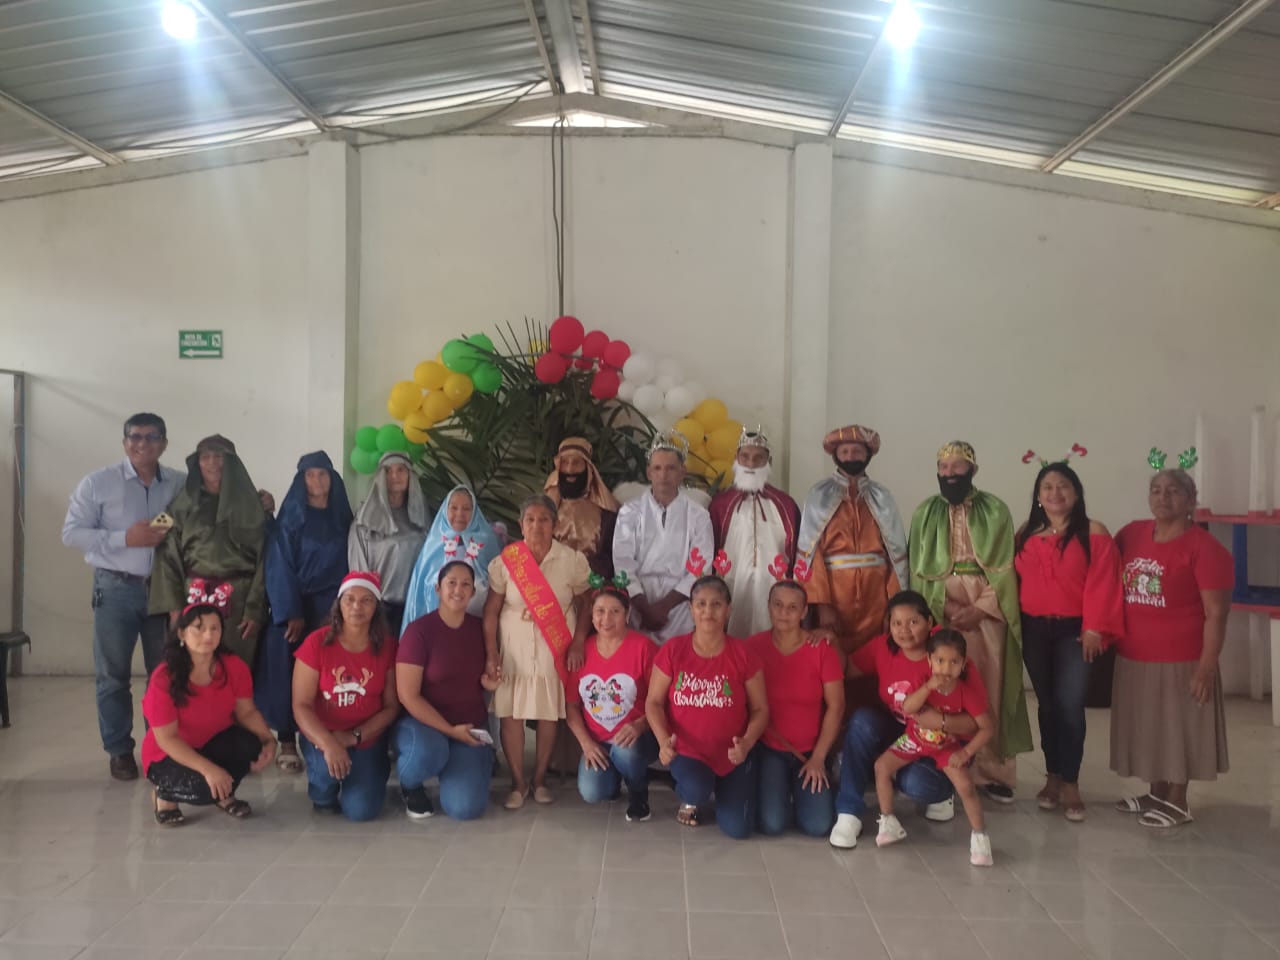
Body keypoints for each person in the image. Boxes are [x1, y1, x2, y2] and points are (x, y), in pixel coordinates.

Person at [62, 412, 185, 781]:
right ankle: (119, 751)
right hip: (115, 589)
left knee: (163, 674)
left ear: (164, 443)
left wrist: (261, 500)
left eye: (151, 437)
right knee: (112, 676)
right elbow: (72, 533)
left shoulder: (179, 482)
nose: (142, 444)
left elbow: (208, 502)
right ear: (125, 442)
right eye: (135, 437)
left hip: (162, 591)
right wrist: (124, 539)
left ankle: (159, 748)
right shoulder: (98, 482)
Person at [909, 440, 1031, 802]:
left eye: (957, 466)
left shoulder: (995, 510)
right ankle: (942, 765)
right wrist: (942, 608)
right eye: (943, 467)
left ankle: (991, 772)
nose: (949, 473)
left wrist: (980, 608)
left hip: (986, 610)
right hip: (940, 607)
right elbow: (918, 569)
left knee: (988, 687)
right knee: (943, 688)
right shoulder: (925, 512)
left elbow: (1006, 569)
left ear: (972, 470)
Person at [1112, 464, 1232, 828]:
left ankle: (1178, 800)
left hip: (1183, 657)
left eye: (1174, 491)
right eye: (1157, 490)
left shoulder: (1205, 548)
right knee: (1149, 727)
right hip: (1134, 654)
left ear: (1192, 502)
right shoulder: (1131, 534)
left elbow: (1216, 613)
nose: (1163, 497)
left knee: (1181, 728)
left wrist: (1206, 667)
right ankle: (1157, 792)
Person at [1014, 460, 1124, 822]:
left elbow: (1104, 581)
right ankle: (1052, 776)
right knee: (1047, 705)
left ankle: (1071, 782)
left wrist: (1095, 628)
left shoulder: (1094, 532)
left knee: (1071, 706)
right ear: (1038, 495)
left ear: (1076, 493)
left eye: (1063, 486)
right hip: (1033, 629)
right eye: (1047, 487)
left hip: (1075, 632)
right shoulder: (1026, 533)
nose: (1055, 493)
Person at [829, 591, 973, 848]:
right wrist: (830, 640)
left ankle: (944, 790)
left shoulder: (946, 654)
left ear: (929, 623)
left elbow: (978, 722)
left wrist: (940, 721)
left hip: (943, 741)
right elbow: (845, 669)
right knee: (862, 722)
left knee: (914, 782)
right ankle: (849, 811)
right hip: (902, 732)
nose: (904, 630)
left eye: (913, 622)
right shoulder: (883, 647)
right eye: (896, 623)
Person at [484, 495, 592, 808]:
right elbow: (491, 611)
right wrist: (492, 653)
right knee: (511, 714)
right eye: (530, 520)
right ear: (521, 525)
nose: (537, 526)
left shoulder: (571, 560)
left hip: (553, 648)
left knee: (548, 713)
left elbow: (587, 603)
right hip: (513, 649)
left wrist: (579, 641)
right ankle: (518, 783)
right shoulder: (507, 561)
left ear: (555, 524)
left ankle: (540, 779)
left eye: (544, 519)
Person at [645, 574, 769, 838]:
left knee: (738, 829)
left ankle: (725, 788)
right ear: (691, 610)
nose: (708, 611)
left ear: (728, 610)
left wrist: (747, 743)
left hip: (733, 754)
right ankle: (691, 795)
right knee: (697, 789)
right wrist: (663, 741)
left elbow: (760, 709)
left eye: (716, 604)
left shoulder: (743, 654)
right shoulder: (673, 650)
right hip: (687, 751)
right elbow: (653, 703)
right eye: (701, 604)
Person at [796, 425, 908, 712]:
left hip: (875, 595)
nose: (850, 456)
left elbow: (896, 553)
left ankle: (873, 722)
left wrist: (894, 604)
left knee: (875, 661)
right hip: (835, 592)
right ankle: (835, 725)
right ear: (835, 455)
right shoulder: (819, 495)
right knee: (832, 662)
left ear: (868, 454)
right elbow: (810, 552)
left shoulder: (882, 497)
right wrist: (822, 604)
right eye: (844, 451)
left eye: (857, 450)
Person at [143, 602, 276, 825]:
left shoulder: (233, 666)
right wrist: (209, 770)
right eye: (199, 628)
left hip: (211, 743)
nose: (208, 635)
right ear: (182, 633)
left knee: (252, 745)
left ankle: (223, 794)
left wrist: (268, 740)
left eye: (215, 628)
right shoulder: (164, 677)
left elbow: (247, 712)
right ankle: (164, 795)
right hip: (168, 754)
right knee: (202, 789)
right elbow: (167, 739)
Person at [261, 451, 353, 771]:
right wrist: (291, 612)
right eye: (310, 475)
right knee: (287, 669)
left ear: (332, 478)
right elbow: (279, 566)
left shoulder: (343, 519)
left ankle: (325, 733)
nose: (317, 481)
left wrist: (342, 608)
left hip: (334, 607)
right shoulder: (289, 520)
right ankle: (287, 739)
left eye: (322, 474)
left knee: (329, 672)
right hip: (296, 607)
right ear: (301, 480)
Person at [872, 629, 996, 866]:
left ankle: (980, 838)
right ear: (929, 660)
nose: (945, 669)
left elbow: (986, 728)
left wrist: (966, 752)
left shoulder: (966, 693)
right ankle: (888, 821)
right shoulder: (923, 681)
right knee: (881, 767)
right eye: (940, 660)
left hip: (947, 746)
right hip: (915, 739)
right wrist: (928, 687)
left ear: (963, 664)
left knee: (965, 786)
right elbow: (908, 707)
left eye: (953, 662)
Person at [148, 434, 269, 667]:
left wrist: (255, 611)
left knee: (235, 666)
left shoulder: (254, 505)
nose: (212, 462)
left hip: (239, 601)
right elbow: (167, 555)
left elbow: (266, 561)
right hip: (193, 596)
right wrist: (175, 608)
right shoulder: (181, 504)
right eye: (205, 457)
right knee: (195, 666)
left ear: (232, 462)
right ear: (198, 462)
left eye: (219, 456)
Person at [394, 560, 498, 821]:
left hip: (469, 726)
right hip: (423, 725)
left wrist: (491, 683)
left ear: (473, 592)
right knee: (430, 752)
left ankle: (460, 766)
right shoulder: (419, 632)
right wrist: (450, 730)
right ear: (438, 589)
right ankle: (410, 783)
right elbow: (408, 695)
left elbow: (487, 675)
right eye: (451, 583)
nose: (458, 590)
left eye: (465, 585)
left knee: (465, 808)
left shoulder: (480, 629)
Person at [291, 571, 399, 821]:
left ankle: (371, 772)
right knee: (325, 782)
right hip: (322, 734)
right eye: (349, 599)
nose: (356, 607)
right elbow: (301, 705)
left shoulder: (388, 647)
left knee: (361, 811)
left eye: (366, 600)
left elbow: (391, 707)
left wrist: (353, 737)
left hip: (366, 737)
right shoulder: (316, 643)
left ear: (376, 607)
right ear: (338, 604)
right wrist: (329, 744)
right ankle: (322, 792)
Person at [748, 579, 843, 838]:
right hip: (770, 749)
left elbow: (836, 706)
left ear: (804, 612)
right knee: (772, 824)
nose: (784, 613)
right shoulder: (752, 647)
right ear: (768, 606)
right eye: (778, 605)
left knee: (818, 825)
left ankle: (808, 791)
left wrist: (819, 758)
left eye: (792, 607)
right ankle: (779, 793)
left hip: (810, 751)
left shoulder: (820, 649)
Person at [565, 578, 659, 821]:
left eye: (615, 611)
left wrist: (639, 725)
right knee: (592, 792)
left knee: (626, 752)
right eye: (600, 611)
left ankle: (638, 791)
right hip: (599, 741)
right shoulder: (580, 651)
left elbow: (662, 700)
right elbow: (572, 705)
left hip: (637, 737)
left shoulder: (644, 648)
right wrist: (586, 743)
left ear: (627, 615)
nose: (606, 619)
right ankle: (615, 778)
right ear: (592, 615)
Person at [613, 433, 714, 645]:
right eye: (657, 468)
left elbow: (701, 568)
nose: (663, 475)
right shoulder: (629, 512)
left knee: (677, 658)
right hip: (639, 603)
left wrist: (664, 607)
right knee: (640, 658)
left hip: (680, 605)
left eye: (671, 468)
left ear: (682, 472)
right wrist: (644, 608)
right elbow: (622, 563)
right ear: (649, 472)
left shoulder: (698, 515)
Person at [709, 426, 801, 637]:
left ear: (769, 462)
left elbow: (796, 551)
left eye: (758, 458)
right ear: (736, 459)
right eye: (745, 457)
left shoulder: (785, 504)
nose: (751, 463)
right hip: (732, 584)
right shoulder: (720, 504)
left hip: (774, 587)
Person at [349, 451, 429, 636]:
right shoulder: (364, 522)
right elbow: (358, 570)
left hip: (414, 608)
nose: (395, 476)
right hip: (378, 610)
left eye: (401, 470)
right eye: (388, 471)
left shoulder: (423, 518)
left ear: (410, 476)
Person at [403, 485, 502, 627]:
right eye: (454, 508)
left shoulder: (487, 543)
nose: (460, 513)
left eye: (466, 509)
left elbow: (498, 587)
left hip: (477, 624)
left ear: (475, 512)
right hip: (437, 625)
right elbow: (419, 590)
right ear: (445, 510)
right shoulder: (433, 544)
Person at [544, 436, 620, 577]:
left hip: (591, 579)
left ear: (588, 467)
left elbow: (611, 559)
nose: (570, 469)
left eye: (576, 463)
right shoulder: (546, 508)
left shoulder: (606, 512)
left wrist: (580, 568)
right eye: (565, 462)